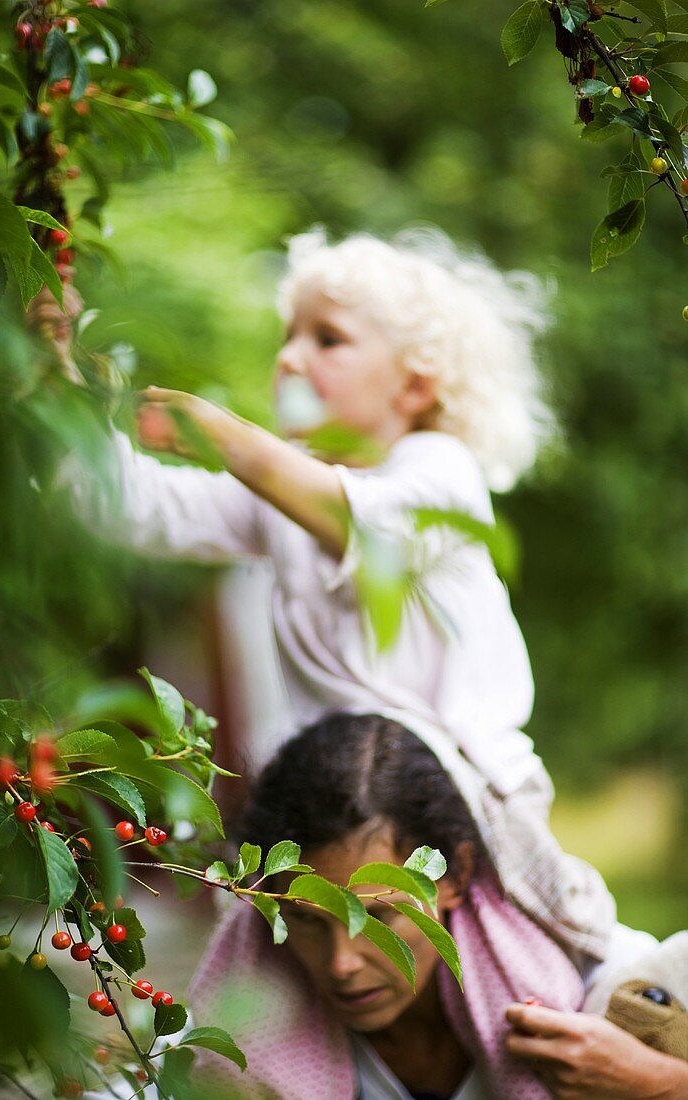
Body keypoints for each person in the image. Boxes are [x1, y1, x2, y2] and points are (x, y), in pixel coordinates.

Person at [40, 227, 614, 965]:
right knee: (309, 976)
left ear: (415, 385)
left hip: (465, 807)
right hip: (338, 809)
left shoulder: (441, 474)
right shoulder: (281, 498)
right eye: (287, 336)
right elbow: (127, 505)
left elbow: (366, 528)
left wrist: (235, 442)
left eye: (328, 339)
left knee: (519, 972)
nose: (289, 358)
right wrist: (53, 365)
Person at [187, 713, 688, 1100]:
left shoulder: (602, 989)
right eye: (305, 920)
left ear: (456, 875)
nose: (341, 964)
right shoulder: (244, 1043)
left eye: (376, 916)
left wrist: (661, 1084)